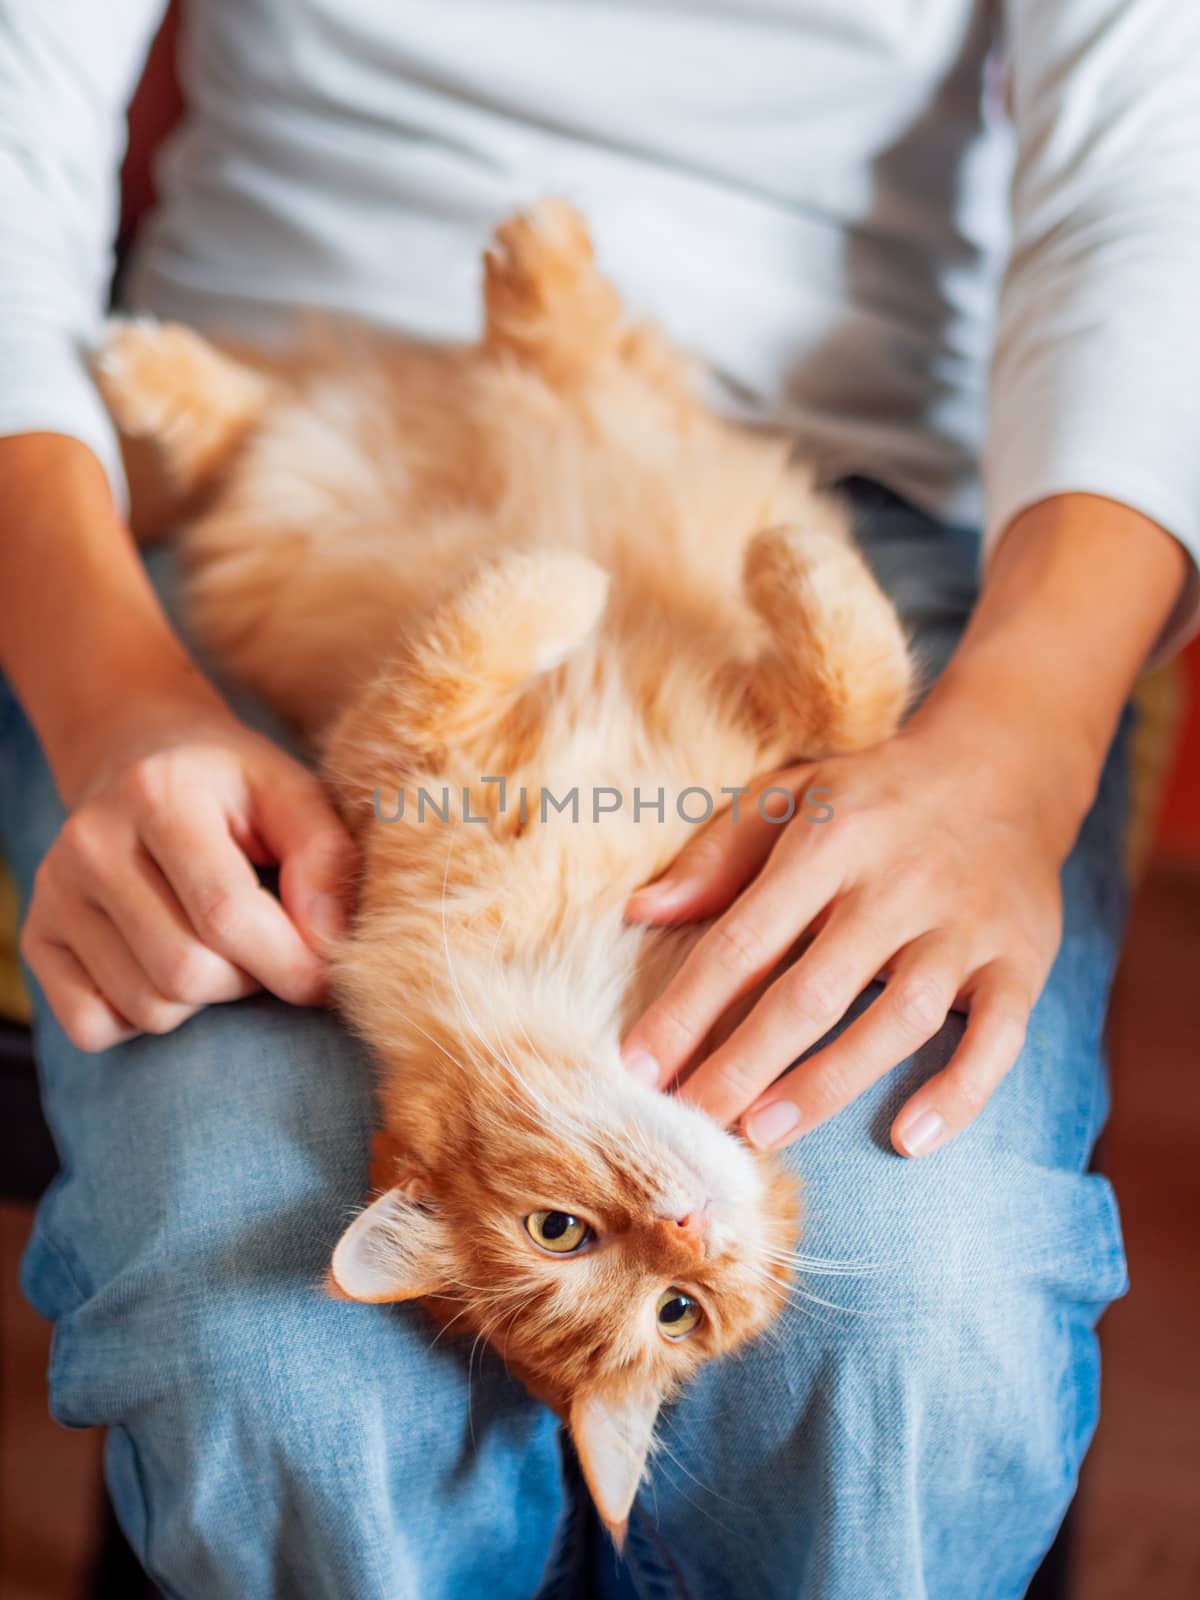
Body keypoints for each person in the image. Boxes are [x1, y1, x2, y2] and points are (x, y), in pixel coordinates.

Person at [0, 3, 1196, 1596]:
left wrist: (1019, 744)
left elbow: (1151, 167)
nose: (679, 1238)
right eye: (681, 1287)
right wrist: (113, 699)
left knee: (920, 1352)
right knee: (282, 1386)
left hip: (845, 482)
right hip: (279, 468)